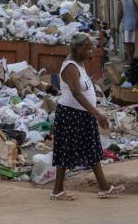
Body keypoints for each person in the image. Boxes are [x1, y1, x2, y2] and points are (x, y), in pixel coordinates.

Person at [51, 33, 125, 201]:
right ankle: (57, 191)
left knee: (92, 150)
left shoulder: (80, 63)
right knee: (65, 151)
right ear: (78, 49)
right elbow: (77, 93)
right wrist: (97, 114)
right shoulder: (70, 66)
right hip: (71, 115)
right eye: (88, 48)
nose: (92, 51)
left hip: (82, 115)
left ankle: (104, 187)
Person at [117, 0, 138, 64]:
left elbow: (120, 13)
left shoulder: (120, 2)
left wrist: (118, 24)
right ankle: (132, 58)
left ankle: (130, 60)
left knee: (127, 43)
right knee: (132, 42)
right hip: (134, 24)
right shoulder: (132, 1)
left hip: (126, 25)